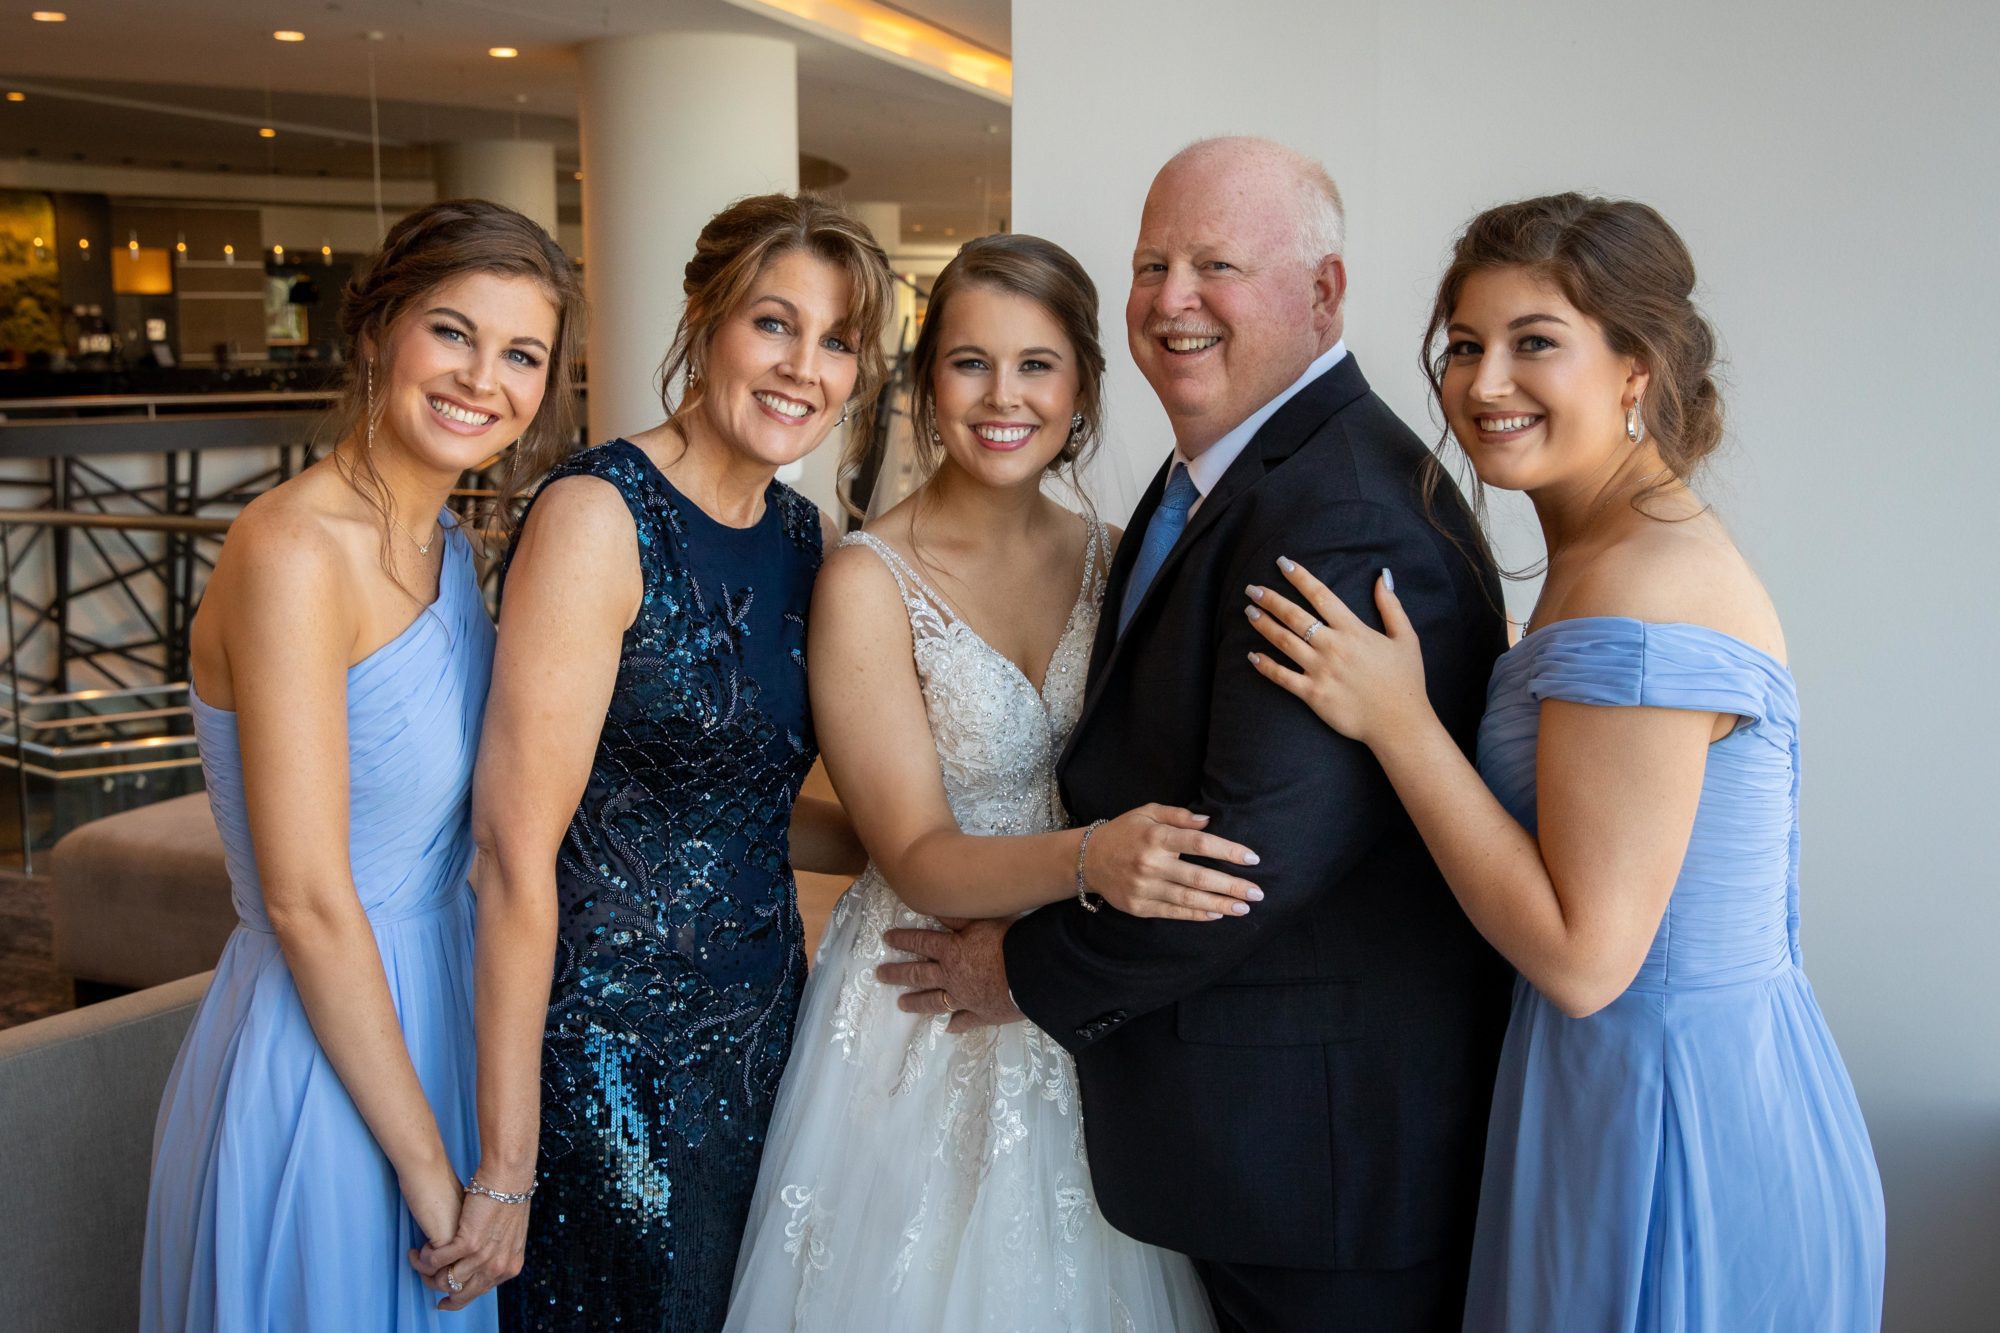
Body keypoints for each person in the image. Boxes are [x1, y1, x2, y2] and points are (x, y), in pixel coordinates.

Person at [882, 137, 1514, 1331]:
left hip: (1318, 1166)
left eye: (1215, 265)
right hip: (1231, 1138)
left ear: (1322, 292)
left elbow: (1245, 858)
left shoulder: (1337, 512)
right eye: (1150, 265)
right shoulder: (1221, 478)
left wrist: (1014, 970)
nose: (1172, 300)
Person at [1241, 192, 1886, 1330]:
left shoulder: (1640, 595)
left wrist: (1399, 723)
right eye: (1463, 346)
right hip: (1644, 1085)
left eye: (1533, 342)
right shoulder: (1612, 552)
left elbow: (1586, 961)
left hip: (1667, 1119)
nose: (1485, 382)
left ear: (1637, 368)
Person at [725, 234, 1237, 1332]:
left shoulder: (1120, 556)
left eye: (1036, 364)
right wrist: (1097, 858)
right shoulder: (866, 580)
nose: (1004, 396)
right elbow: (912, 853)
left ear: (1081, 385)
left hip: (1082, 989)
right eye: (969, 362)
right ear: (925, 384)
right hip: (922, 999)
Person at [140, 198, 583, 1331]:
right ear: (379, 332)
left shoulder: (447, 543)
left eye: (521, 354)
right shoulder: (292, 548)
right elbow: (305, 898)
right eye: (452, 332)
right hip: (325, 1053)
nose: (482, 378)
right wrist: (435, 1171)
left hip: (438, 1009)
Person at [461, 193, 892, 1332]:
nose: (803, 368)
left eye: (837, 341)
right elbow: (509, 851)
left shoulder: (803, 537)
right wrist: (504, 1163)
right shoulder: (598, 516)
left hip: (764, 1039)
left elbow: (742, 802)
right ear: (703, 319)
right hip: (605, 1052)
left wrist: (932, 858)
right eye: (773, 323)